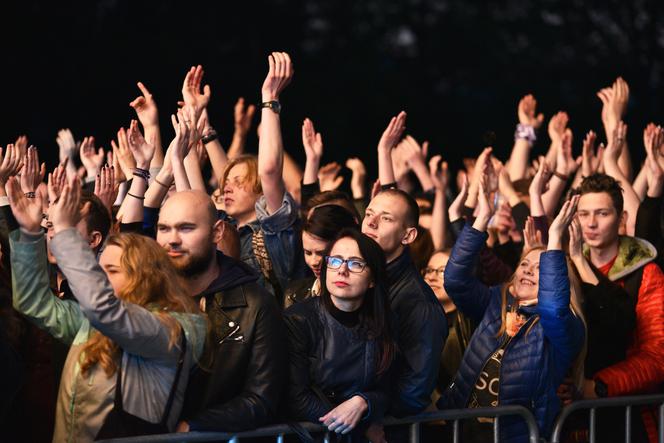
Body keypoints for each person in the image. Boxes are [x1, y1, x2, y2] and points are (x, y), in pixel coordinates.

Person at [7, 177, 206, 442]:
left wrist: (66, 232)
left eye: (111, 271)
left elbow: (106, 311)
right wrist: (31, 233)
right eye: (101, 271)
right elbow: (34, 303)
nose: (101, 279)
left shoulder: (168, 329)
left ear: (144, 277)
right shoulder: (93, 322)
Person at [438, 174, 585, 443]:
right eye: (525, 265)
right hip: (463, 429)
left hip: (517, 435)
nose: (529, 271)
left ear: (558, 280)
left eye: (542, 269)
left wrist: (554, 239)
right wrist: (481, 219)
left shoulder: (566, 325)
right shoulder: (496, 301)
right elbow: (455, 281)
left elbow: (553, 309)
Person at [155, 190, 288, 433]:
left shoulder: (256, 305)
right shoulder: (148, 296)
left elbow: (262, 399)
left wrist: (192, 426)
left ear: (217, 232)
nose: (172, 239)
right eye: (163, 228)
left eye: (186, 228)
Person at [571, 173, 664, 443]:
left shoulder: (646, 273)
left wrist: (599, 386)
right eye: (583, 213)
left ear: (621, 218)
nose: (590, 223)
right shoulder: (569, 268)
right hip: (576, 416)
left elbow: (657, 357)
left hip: (628, 414)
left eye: (602, 213)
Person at [284, 228, 396, 441]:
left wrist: (364, 402)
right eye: (335, 261)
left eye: (355, 264)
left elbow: (389, 388)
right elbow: (296, 398)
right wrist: (362, 427)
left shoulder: (383, 322)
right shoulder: (298, 320)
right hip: (309, 436)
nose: (342, 270)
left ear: (372, 279)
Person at [220, 52, 306, 302]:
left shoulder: (273, 237)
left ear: (262, 194)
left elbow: (269, 171)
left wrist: (270, 101)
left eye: (238, 182)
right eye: (226, 183)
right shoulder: (223, 230)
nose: (227, 188)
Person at [362, 186, 447, 416]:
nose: (371, 223)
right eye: (369, 214)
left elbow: (414, 391)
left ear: (408, 236)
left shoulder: (419, 304)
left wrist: (368, 412)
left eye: (386, 218)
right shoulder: (361, 277)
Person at [285, 203, 359, 307]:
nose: (313, 262)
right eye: (308, 253)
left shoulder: (360, 298)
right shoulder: (293, 294)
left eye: (321, 253)